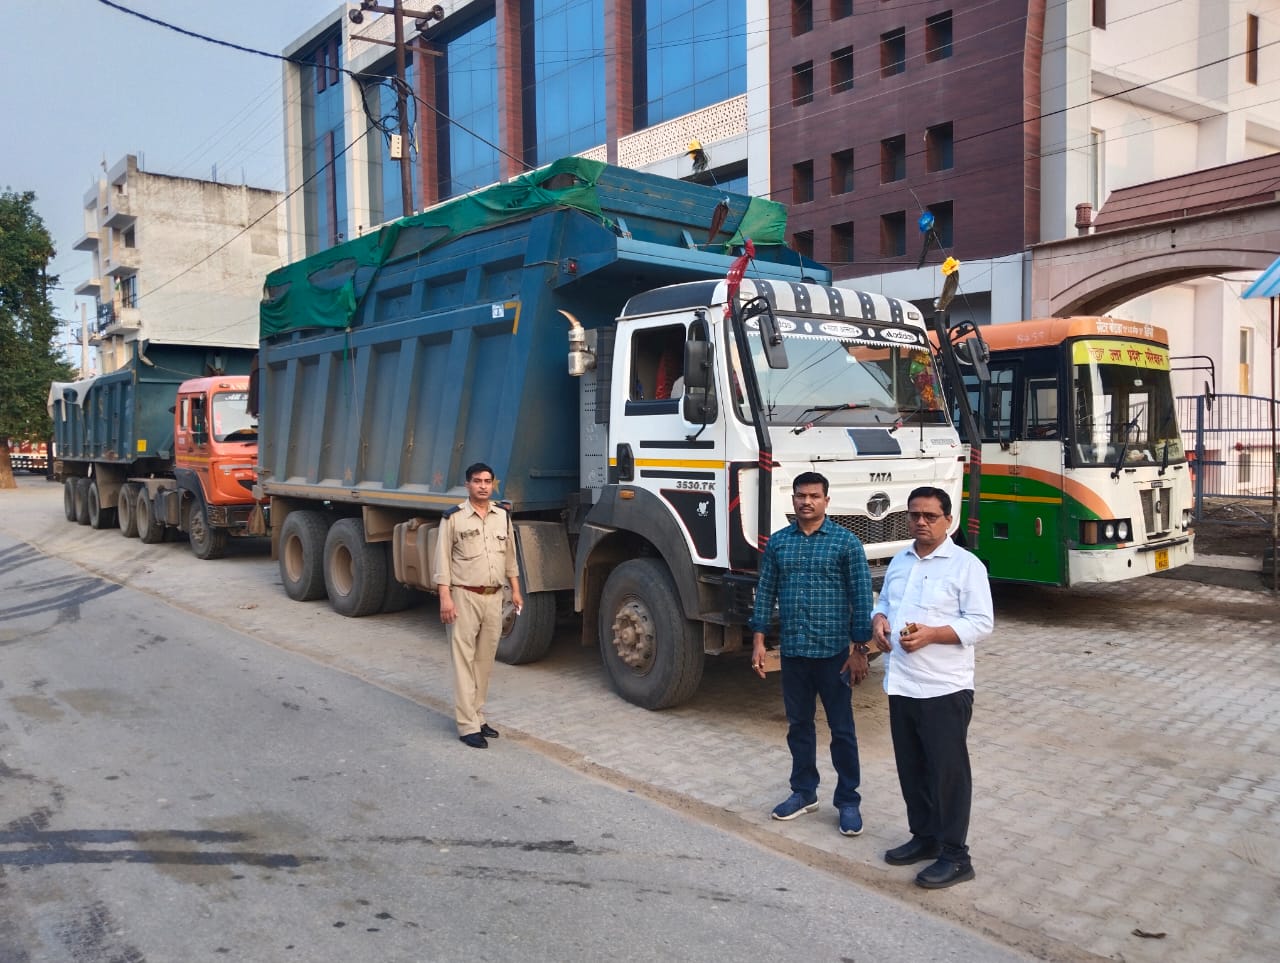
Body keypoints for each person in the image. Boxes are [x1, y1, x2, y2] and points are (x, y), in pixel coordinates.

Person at [872, 486, 994, 889]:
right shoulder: (900, 561)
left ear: (948, 521)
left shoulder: (965, 565)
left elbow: (981, 623)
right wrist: (879, 621)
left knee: (948, 773)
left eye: (929, 516)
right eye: (914, 515)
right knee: (913, 767)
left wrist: (933, 634)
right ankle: (924, 837)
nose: (920, 522)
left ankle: (956, 856)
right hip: (902, 683)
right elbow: (884, 602)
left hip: (944, 688)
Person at [749, 471, 873, 837]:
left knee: (842, 730)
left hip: (834, 653)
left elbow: (861, 597)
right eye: (801, 495)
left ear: (826, 501)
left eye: (814, 496)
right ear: (793, 500)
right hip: (795, 652)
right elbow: (766, 590)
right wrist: (758, 640)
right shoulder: (779, 543)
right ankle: (803, 793)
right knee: (799, 725)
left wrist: (860, 649)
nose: (807, 502)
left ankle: (848, 801)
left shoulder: (845, 543)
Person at [434, 462, 523, 749]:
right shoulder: (454, 519)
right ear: (467, 485)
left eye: (487, 481)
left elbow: (510, 558)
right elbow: (442, 561)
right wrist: (445, 598)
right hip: (464, 595)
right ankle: (466, 725)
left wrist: (517, 591)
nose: (483, 486)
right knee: (463, 660)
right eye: (477, 481)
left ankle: (477, 715)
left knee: (485, 661)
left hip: (494, 596)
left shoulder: (502, 517)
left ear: (493, 484)